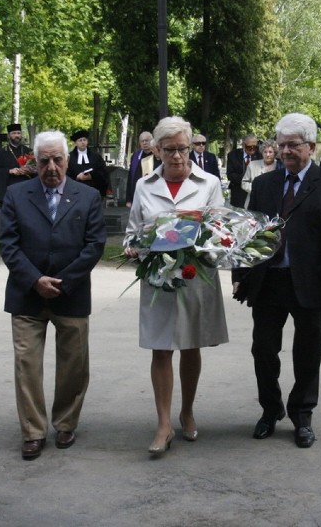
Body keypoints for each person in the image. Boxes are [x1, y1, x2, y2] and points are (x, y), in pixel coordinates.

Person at [232, 112, 321, 449]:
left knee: (308, 353)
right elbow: (247, 233)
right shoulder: (263, 184)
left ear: (311, 147)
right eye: (281, 144)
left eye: (292, 145)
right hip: (269, 283)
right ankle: (270, 411)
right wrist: (240, 275)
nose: (284, 151)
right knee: (263, 351)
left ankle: (302, 415)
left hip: (312, 284)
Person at [123, 116, 229, 455]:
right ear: (157, 150)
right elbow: (133, 231)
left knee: (191, 345)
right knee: (160, 347)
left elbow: (221, 231)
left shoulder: (209, 182)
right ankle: (164, 424)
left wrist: (200, 244)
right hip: (158, 278)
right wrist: (134, 247)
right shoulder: (144, 185)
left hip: (195, 276)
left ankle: (187, 411)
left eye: (183, 148)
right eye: (170, 150)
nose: (179, 157)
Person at [0, 130, 106, 461]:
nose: (51, 167)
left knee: (74, 364)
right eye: (43, 160)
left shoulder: (87, 196)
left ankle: (65, 423)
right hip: (27, 295)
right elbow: (8, 244)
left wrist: (64, 280)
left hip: (70, 293)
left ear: (67, 160)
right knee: (26, 364)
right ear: (35, 161)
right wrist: (34, 280)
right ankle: (32, 431)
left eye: (57, 159)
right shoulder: (16, 195)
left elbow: (95, 244)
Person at [0, 124, 33, 205]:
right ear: (8, 136)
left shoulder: (28, 151)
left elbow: (37, 169)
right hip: (8, 189)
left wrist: (29, 170)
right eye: (14, 133)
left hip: (26, 190)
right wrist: (9, 171)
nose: (17, 135)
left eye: (18, 133)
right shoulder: (2, 152)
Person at [67, 129, 108, 198]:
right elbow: (65, 174)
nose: (83, 142)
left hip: (92, 191)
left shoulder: (96, 157)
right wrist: (77, 177)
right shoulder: (69, 157)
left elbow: (103, 173)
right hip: (74, 193)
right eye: (80, 140)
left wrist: (91, 176)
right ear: (76, 143)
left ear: (87, 141)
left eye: (84, 140)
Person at [241, 139, 282, 207]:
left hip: (274, 203)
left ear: (275, 153)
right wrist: (257, 190)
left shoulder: (280, 166)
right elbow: (244, 183)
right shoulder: (252, 165)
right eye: (265, 152)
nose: (267, 155)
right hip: (255, 202)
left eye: (270, 152)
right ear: (262, 153)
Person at [126, 131, 159, 207]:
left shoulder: (158, 154)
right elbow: (131, 177)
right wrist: (129, 199)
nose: (144, 143)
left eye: (147, 140)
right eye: (142, 141)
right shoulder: (136, 155)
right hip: (138, 195)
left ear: (152, 141)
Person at [226, 133, 259, 207]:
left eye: (255, 147)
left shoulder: (259, 155)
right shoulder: (233, 155)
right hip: (238, 192)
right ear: (243, 145)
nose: (252, 150)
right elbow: (230, 175)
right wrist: (246, 179)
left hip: (254, 193)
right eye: (249, 147)